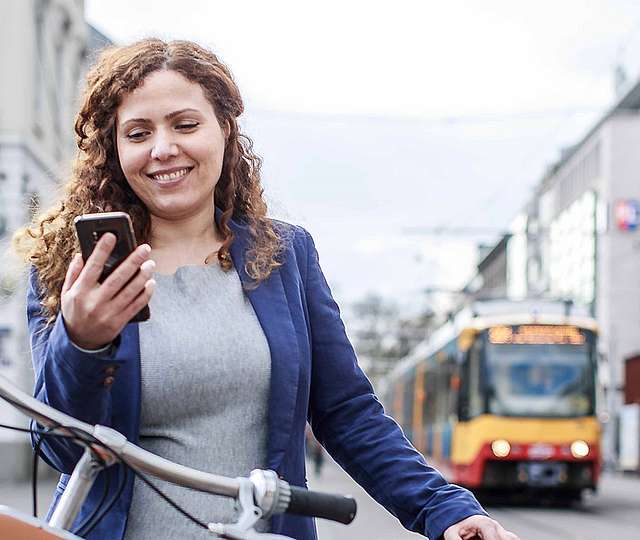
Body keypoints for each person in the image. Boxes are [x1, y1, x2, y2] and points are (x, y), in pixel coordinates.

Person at [14, 39, 519, 540]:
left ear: (225, 130)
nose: (163, 148)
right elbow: (63, 450)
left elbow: (347, 413)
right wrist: (82, 343)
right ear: (115, 148)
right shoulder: (73, 268)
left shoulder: (285, 256)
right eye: (138, 132)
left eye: (185, 124)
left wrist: (444, 508)